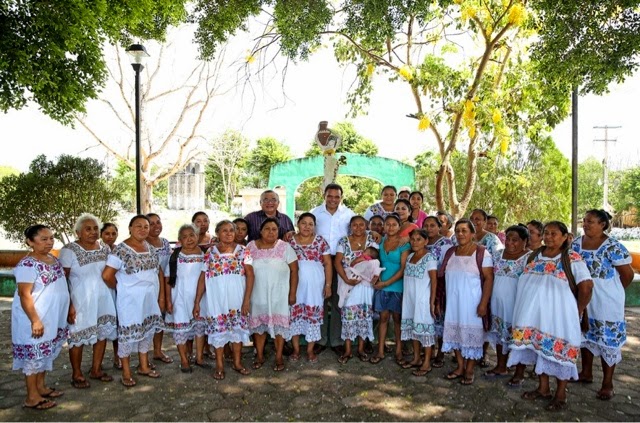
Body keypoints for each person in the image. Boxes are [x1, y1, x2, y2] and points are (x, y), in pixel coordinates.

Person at [508, 221, 593, 411]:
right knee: (539, 349)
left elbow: (586, 286)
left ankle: (561, 394)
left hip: (559, 317)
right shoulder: (535, 255)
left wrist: (577, 310)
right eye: (546, 233)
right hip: (533, 316)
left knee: (560, 352)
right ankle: (543, 388)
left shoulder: (571, 258)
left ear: (565, 237)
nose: (548, 237)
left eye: (554, 234)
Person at [572, 209, 634, 400]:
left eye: (590, 221)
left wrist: (612, 291)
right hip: (584, 298)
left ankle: (607, 383)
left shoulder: (613, 247)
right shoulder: (576, 244)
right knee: (586, 334)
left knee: (608, 340)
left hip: (607, 301)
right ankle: (586, 372)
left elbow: (628, 275)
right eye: (584, 221)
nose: (586, 224)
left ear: (603, 224)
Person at [102, 215, 165, 387]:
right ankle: (126, 372)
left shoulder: (150, 247)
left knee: (146, 331)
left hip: (149, 298)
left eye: (146, 226)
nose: (143, 229)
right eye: (138, 226)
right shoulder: (121, 250)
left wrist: (160, 297)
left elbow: (157, 270)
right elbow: (107, 275)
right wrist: (123, 288)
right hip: (130, 301)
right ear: (130, 228)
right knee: (128, 334)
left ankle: (143, 366)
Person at [12, 225, 70, 410]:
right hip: (36, 317)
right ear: (30, 242)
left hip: (52, 316)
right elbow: (24, 294)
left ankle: (41, 387)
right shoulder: (27, 265)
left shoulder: (52, 258)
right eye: (44, 239)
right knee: (33, 356)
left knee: (45, 353)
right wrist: (35, 320)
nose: (49, 242)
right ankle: (32, 397)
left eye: (51, 238)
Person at [60, 214, 117, 389]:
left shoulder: (104, 248)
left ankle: (96, 369)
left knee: (102, 333)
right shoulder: (69, 250)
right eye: (88, 229)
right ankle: (76, 373)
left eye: (95, 229)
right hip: (80, 300)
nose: (93, 232)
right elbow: (63, 279)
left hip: (104, 298)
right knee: (77, 336)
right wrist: (69, 305)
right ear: (78, 232)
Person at [195, 220, 255, 379]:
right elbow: (202, 278)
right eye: (224, 230)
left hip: (237, 297)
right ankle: (219, 366)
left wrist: (247, 300)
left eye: (231, 230)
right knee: (218, 332)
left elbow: (250, 275)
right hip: (217, 300)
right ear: (217, 233)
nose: (229, 233)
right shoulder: (210, 253)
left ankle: (237, 363)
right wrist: (197, 302)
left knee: (237, 332)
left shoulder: (244, 251)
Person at [441, 219, 494, 386]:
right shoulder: (450, 252)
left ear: (473, 234)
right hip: (453, 303)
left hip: (472, 304)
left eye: (464, 230)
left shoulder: (481, 253)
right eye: (458, 231)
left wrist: (483, 303)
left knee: (472, 337)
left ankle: (469, 370)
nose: (460, 234)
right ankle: (460, 366)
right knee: (454, 333)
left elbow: (489, 279)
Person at [246, 218, 298, 371]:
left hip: (279, 296)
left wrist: (292, 293)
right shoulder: (250, 247)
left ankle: (279, 356)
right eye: (267, 229)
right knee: (259, 326)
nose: (271, 232)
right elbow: (245, 270)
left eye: (274, 229)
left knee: (279, 327)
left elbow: (295, 270)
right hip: (257, 294)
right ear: (260, 231)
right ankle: (260, 356)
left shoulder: (285, 247)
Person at [311, 183, 355, 355]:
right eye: (330, 196)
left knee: (338, 301)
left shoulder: (348, 214)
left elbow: (356, 233)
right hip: (319, 262)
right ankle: (320, 339)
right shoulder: (315, 213)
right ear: (324, 196)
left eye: (337, 196)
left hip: (340, 262)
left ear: (341, 197)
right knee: (320, 300)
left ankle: (336, 340)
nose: (333, 200)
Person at [484, 225, 529, 381]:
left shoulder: (529, 258)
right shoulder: (496, 255)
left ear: (524, 241)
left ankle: (519, 372)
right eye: (508, 239)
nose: (510, 243)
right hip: (497, 305)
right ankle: (501, 366)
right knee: (499, 335)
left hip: (517, 306)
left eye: (515, 240)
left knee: (518, 339)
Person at [288, 213, 332, 362]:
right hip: (295, 284)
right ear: (298, 224)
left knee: (312, 316)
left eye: (310, 224)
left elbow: (328, 264)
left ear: (314, 226)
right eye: (304, 223)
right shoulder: (290, 241)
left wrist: (328, 285)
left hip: (315, 284)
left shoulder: (321, 242)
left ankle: (310, 350)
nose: (307, 226)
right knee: (294, 315)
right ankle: (295, 350)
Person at [335, 215, 379, 363]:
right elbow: (337, 262)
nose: (358, 228)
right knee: (348, 316)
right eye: (355, 225)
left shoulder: (371, 242)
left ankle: (360, 349)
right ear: (350, 227)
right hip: (348, 283)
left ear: (366, 226)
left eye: (362, 225)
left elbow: (376, 262)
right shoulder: (343, 241)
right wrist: (346, 279)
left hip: (365, 286)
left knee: (363, 316)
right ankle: (348, 350)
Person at [164, 224, 206, 374]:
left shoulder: (204, 254)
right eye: (185, 237)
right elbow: (168, 279)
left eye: (192, 235)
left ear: (197, 236)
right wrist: (168, 301)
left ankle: (199, 357)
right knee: (181, 330)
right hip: (179, 299)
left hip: (200, 298)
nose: (189, 239)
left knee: (199, 328)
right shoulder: (175, 256)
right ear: (179, 240)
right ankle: (184, 360)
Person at [370, 214, 411, 365]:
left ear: (399, 227)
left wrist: (386, 283)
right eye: (388, 224)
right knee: (383, 319)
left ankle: (399, 352)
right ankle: (380, 350)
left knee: (397, 320)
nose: (391, 227)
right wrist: (378, 279)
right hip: (381, 285)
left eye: (394, 224)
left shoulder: (404, 245)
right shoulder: (380, 242)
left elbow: (402, 269)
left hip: (397, 286)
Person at [400, 229, 438, 377]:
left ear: (426, 241)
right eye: (413, 239)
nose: (415, 242)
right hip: (410, 299)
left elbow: (434, 281)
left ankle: (426, 362)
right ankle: (416, 358)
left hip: (423, 300)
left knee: (425, 331)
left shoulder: (430, 258)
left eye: (419, 239)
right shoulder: (409, 257)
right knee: (414, 330)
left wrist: (432, 301)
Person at [422, 215, 454, 368]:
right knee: (426, 317)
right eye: (426, 226)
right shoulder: (421, 241)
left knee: (439, 316)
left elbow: (446, 265)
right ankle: (428, 349)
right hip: (423, 285)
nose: (429, 229)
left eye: (432, 225)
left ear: (439, 226)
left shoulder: (446, 243)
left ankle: (441, 352)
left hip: (440, 284)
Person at [147, 213, 174, 365]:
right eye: (151, 223)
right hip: (151, 286)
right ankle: (142, 356)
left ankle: (157, 350)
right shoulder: (142, 244)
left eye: (158, 222)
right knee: (147, 319)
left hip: (165, 285)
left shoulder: (164, 242)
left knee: (161, 319)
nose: (156, 226)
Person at [100, 222, 122, 370]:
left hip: (117, 290)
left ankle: (118, 357)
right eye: (107, 233)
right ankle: (98, 363)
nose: (110, 237)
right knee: (101, 327)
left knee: (118, 324)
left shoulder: (119, 250)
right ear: (101, 234)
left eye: (113, 233)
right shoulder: (98, 250)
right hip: (103, 291)